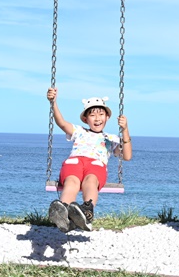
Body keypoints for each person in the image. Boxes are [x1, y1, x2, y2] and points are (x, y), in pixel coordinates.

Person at [46, 87, 132, 232]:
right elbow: (61, 123)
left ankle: (87, 210)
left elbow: (127, 156)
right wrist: (53, 102)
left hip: (96, 165)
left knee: (91, 180)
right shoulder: (79, 131)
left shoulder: (111, 139)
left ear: (107, 118)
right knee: (71, 181)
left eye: (101, 114)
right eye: (92, 115)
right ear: (86, 119)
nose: (97, 118)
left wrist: (125, 130)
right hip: (74, 162)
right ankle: (63, 211)